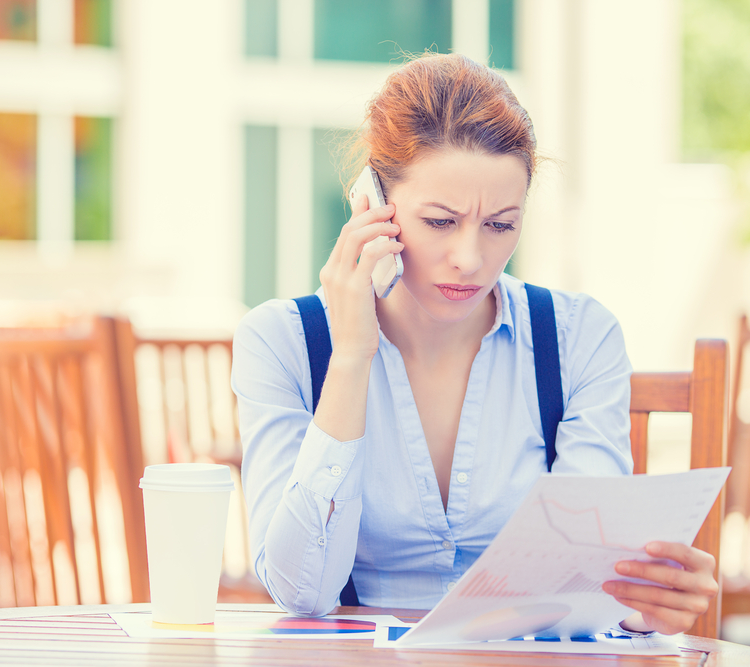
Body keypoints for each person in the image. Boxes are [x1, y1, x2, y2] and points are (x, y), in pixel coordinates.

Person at [231, 53, 718, 635]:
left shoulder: (579, 338)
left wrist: (644, 606)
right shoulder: (281, 342)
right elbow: (301, 592)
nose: (470, 258)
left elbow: (586, 581)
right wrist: (351, 358)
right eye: (440, 221)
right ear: (372, 203)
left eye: (501, 224)